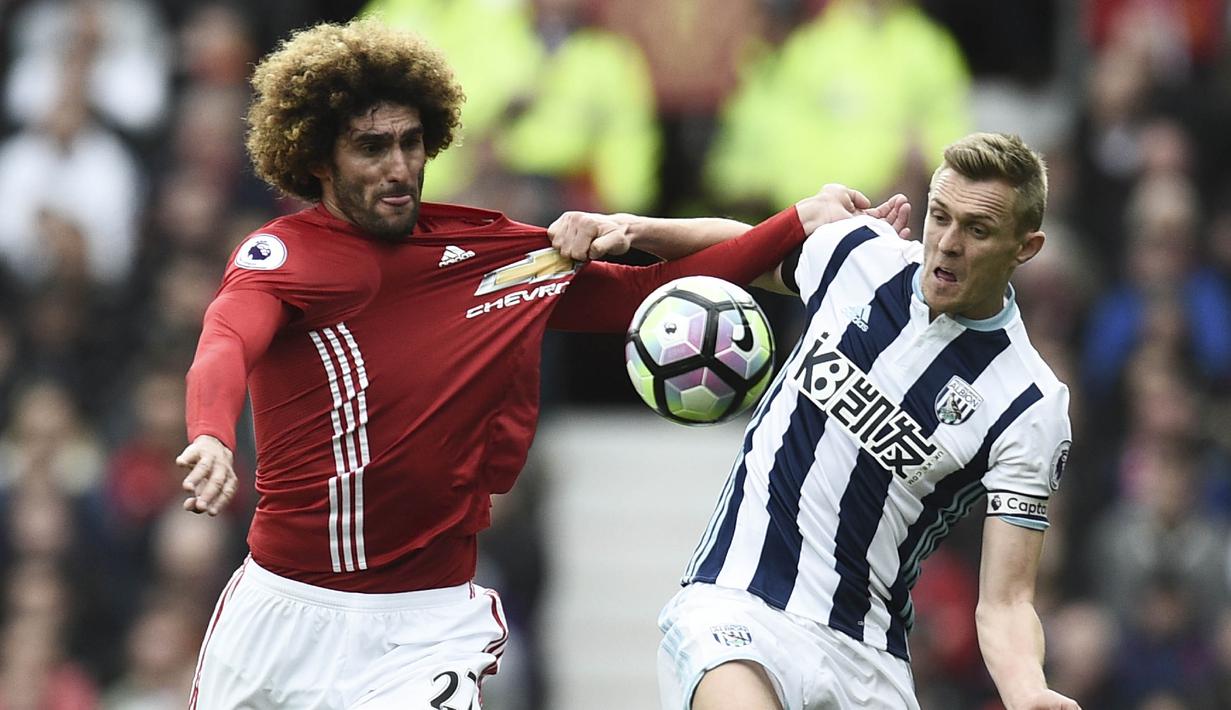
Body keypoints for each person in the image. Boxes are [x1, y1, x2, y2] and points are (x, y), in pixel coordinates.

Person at [175, 19, 909, 709]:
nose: (399, 167)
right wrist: (211, 431)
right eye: (371, 147)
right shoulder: (286, 257)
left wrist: (800, 223)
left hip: (422, 625)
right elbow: (226, 337)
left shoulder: (487, 253)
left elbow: (647, 294)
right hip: (284, 612)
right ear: (315, 158)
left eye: (412, 142)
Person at [656, 133, 1079, 710]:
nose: (947, 244)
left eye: (976, 231)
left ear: (1024, 248)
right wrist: (632, 231)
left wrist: (1028, 690)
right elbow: (743, 249)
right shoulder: (862, 256)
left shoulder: (1031, 404)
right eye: (939, 217)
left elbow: (1005, 601)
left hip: (865, 657)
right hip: (737, 603)